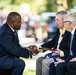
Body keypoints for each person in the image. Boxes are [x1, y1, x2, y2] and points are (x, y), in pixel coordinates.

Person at [36, 10, 70, 75]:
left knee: (45, 62)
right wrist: (39, 48)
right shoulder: (59, 30)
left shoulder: (69, 32)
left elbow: (71, 50)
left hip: (63, 57)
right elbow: (52, 42)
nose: (56, 22)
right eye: (56, 20)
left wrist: (61, 53)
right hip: (54, 55)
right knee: (39, 60)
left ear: (64, 20)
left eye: (57, 20)